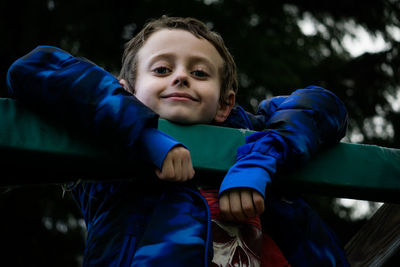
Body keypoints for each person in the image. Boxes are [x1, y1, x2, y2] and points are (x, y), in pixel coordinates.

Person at [7, 16, 349, 266]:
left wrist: (259, 161)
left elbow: (322, 104)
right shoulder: (105, 147)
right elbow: (37, 67)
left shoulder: (249, 135)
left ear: (225, 104)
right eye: (161, 70)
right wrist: (143, 136)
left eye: (199, 73)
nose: (181, 76)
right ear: (126, 92)